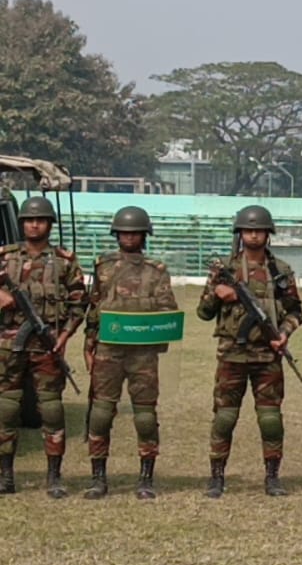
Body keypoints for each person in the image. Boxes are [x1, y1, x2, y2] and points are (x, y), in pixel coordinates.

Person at [197, 204, 302, 497]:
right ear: (240, 233)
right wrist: (218, 294)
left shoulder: (280, 271)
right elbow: (203, 313)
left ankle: (272, 477)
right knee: (224, 418)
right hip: (232, 354)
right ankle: (216, 477)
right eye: (248, 230)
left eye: (259, 230)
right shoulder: (225, 270)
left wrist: (284, 333)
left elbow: (297, 312)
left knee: (270, 419)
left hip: (267, 356)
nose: (254, 235)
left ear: (268, 234)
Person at [82, 205, 178, 499]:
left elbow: (168, 312)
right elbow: (94, 307)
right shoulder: (103, 266)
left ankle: (146, 479)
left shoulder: (156, 271)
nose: (129, 237)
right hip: (108, 352)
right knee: (100, 414)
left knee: (145, 417)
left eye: (135, 232)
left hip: (142, 355)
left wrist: (153, 328)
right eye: (124, 232)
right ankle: (98, 479)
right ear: (116, 234)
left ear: (144, 235)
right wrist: (89, 342)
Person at [0, 196, 86, 498]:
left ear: (50, 224)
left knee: (51, 410)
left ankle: (54, 477)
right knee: (6, 409)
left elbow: (79, 304)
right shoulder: (4, 257)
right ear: (22, 223)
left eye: (40, 220)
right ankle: (5, 475)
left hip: (48, 345)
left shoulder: (65, 261)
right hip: (9, 345)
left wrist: (64, 337)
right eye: (29, 220)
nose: (34, 225)